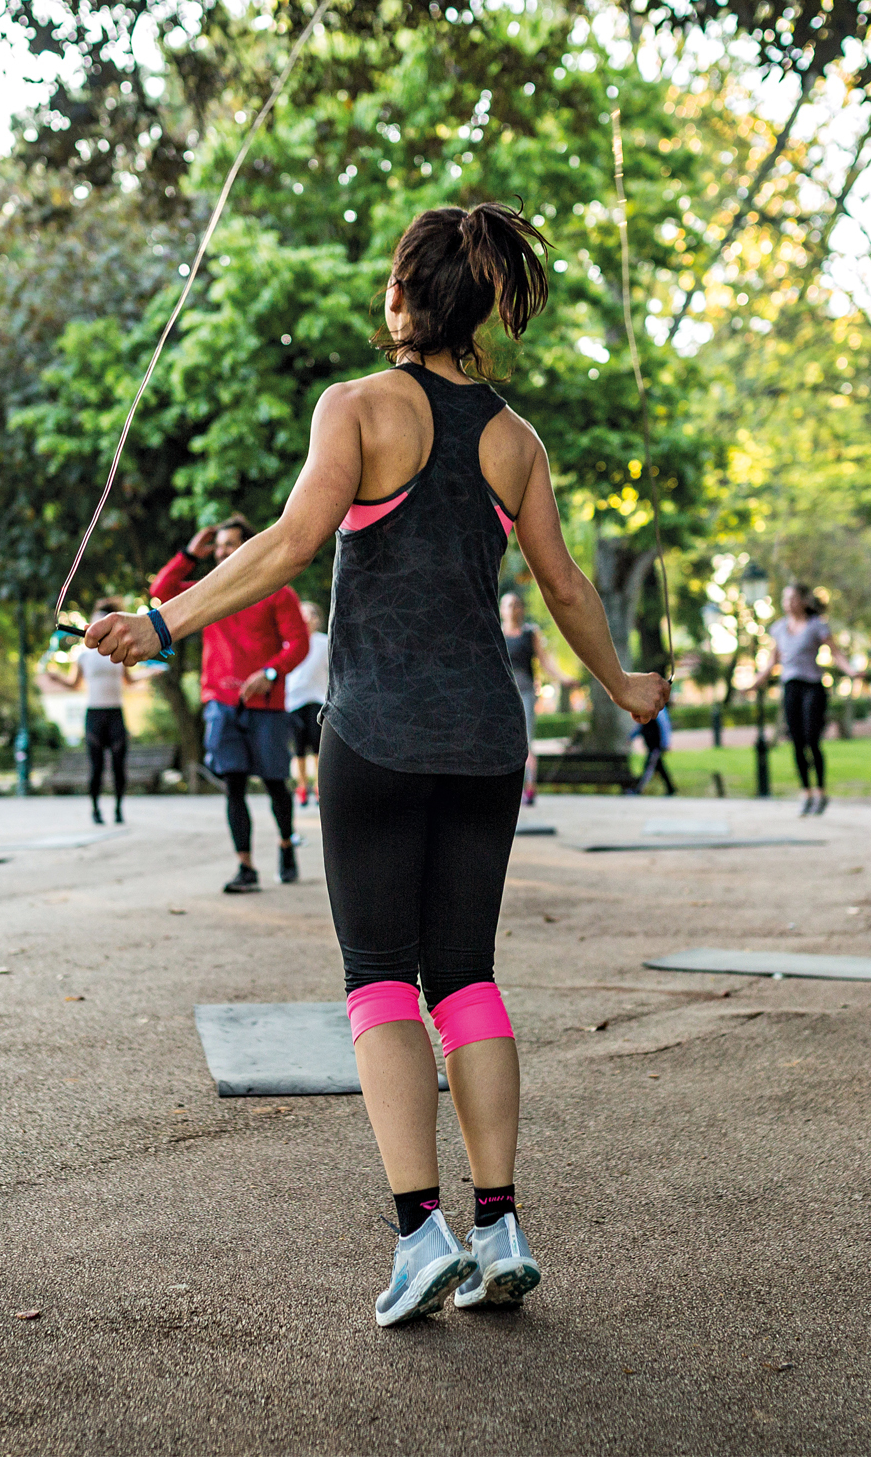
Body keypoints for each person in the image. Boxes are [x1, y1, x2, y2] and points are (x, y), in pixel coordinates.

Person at [80, 201, 669, 1325]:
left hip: (377, 739)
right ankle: (499, 1225)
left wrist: (162, 624)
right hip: (487, 745)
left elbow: (291, 544)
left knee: (380, 980)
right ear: (483, 304)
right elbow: (565, 587)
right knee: (468, 976)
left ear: (401, 297)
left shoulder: (355, 408)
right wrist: (622, 686)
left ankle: (420, 1234)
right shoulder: (514, 439)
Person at [151, 515, 310, 893]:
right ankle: (246, 867)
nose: (223, 551)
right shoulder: (208, 591)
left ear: (249, 547)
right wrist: (190, 553)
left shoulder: (277, 591)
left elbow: (298, 644)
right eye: (219, 545)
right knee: (234, 785)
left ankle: (286, 846)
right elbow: (162, 590)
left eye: (230, 544)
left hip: (266, 705)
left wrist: (270, 673)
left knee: (275, 784)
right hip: (221, 702)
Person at [40, 599, 132, 826]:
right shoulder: (83, 656)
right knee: (97, 767)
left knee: (119, 768)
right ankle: (95, 809)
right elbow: (74, 684)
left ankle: (119, 809)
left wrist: (151, 674)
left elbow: (129, 680)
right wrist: (56, 677)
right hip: (94, 715)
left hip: (115, 714)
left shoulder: (120, 652)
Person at [762, 584, 832, 816]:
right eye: (785, 598)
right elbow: (772, 662)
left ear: (804, 600)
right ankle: (806, 792)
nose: (788, 602)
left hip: (813, 686)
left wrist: (852, 671)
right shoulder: (779, 628)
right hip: (790, 688)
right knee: (797, 742)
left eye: (792, 598)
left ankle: (821, 791)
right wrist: (753, 683)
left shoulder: (817, 626)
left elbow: (837, 653)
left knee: (812, 739)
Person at [500, 592, 570, 804]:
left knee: (528, 742)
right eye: (509, 605)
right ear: (502, 609)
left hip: (526, 694)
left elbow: (545, 661)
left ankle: (529, 788)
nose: (513, 609)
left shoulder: (530, 633)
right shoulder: (497, 633)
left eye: (517, 605)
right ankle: (505, 789)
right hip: (503, 694)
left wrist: (563, 678)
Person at [286, 602, 330, 806]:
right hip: (293, 701)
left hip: (317, 700)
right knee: (299, 748)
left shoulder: (324, 642)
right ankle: (302, 786)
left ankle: (320, 786)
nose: (306, 619)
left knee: (318, 747)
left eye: (311, 615)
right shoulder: (288, 642)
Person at [626, 704, 676, 796]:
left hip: (655, 746)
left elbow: (665, 727)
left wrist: (665, 744)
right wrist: (631, 736)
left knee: (648, 767)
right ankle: (671, 789)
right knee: (659, 767)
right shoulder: (646, 709)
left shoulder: (659, 711)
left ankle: (637, 790)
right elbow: (641, 726)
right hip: (650, 745)